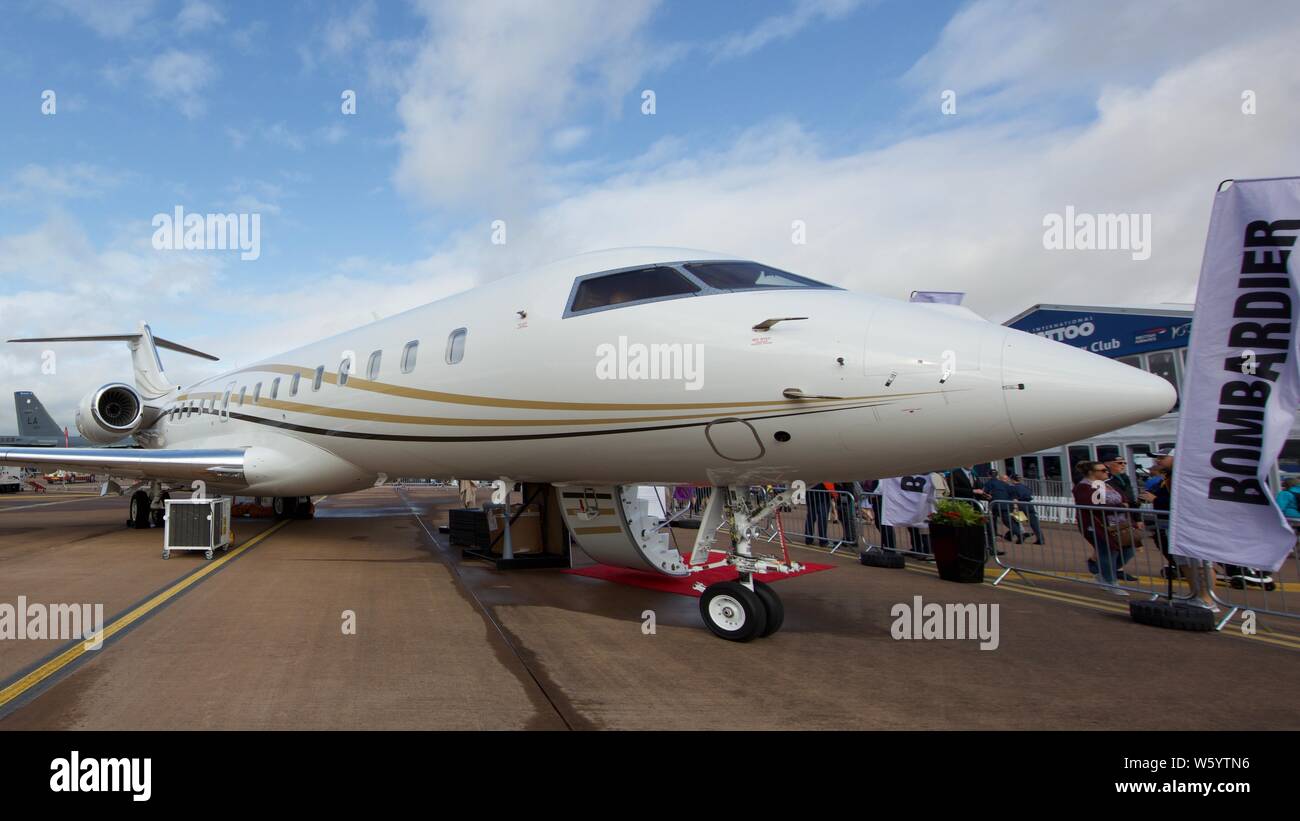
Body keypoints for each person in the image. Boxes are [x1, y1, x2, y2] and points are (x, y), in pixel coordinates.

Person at [1072, 461, 1136, 595]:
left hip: (1121, 524)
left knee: (1128, 551)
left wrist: (1122, 506)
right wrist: (1120, 507)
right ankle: (1111, 582)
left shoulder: (1107, 484)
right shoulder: (1083, 487)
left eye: (1106, 470)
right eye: (1102, 470)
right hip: (1099, 525)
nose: (1106, 472)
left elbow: (1125, 498)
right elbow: (1095, 507)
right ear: (1091, 472)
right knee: (1108, 552)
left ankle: (1104, 573)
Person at [981, 473, 1020, 544]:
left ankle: (1019, 534)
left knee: (1003, 520)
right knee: (1010, 521)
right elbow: (1013, 495)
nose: (1006, 480)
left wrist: (987, 497)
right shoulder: (1007, 485)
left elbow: (984, 492)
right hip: (1007, 505)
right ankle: (1018, 534)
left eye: (1006, 479)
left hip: (997, 505)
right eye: (1005, 479)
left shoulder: (990, 483)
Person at [1008, 474, 1044, 544]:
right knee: (1034, 523)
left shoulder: (1013, 488)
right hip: (1029, 505)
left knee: (1015, 521)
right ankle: (1040, 539)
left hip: (1020, 506)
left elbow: (1014, 499)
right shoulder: (1025, 487)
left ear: (1012, 480)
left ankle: (1019, 536)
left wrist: (1015, 507)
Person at [805, 481, 833, 547]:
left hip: (811, 495)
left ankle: (809, 539)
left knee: (811, 518)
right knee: (822, 519)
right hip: (822, 496)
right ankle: (823, 541)